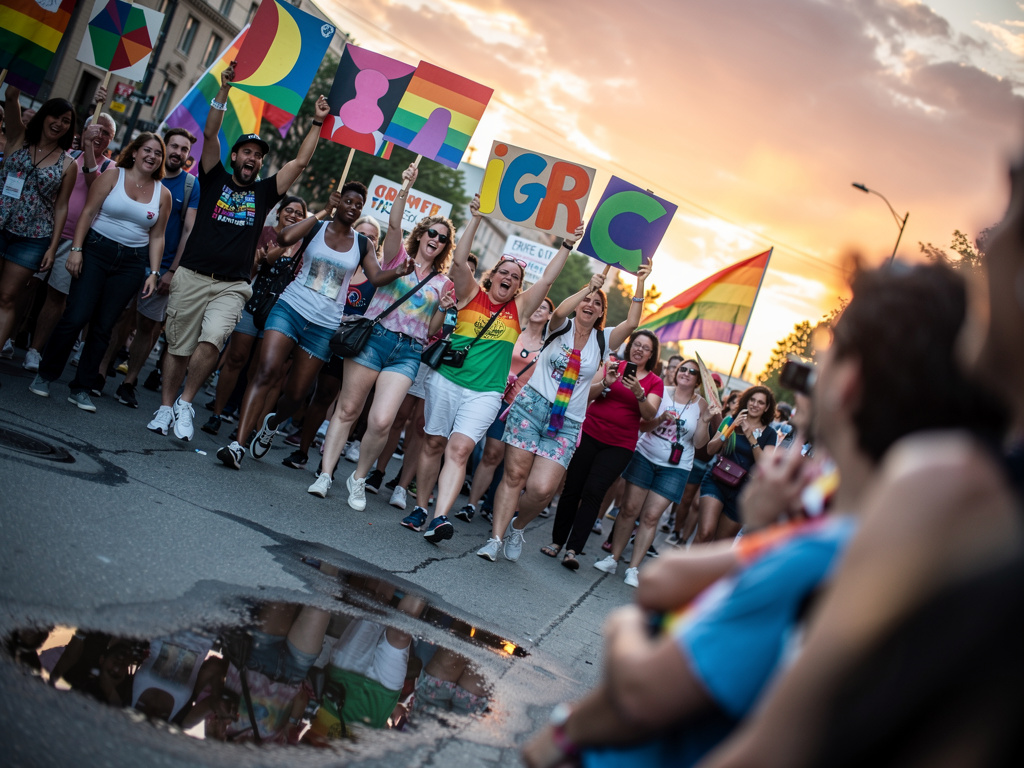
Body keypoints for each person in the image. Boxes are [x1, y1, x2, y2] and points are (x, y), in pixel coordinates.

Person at [522, 260, 1003, 768]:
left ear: (849, 384)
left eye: (826, 353)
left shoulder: (829, 556)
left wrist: (622, 633)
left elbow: (646, 685)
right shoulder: (937, 555)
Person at [699, 180, 1024, 768]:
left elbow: (781, 735)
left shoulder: (944, 479)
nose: (987, 237)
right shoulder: (974, 470)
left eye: (1009, 223)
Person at [146, 63, 330, 439]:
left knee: (212, 340)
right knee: (178, 348)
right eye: (246, 152)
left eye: (257, 155)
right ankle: (166, 407)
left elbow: (299, 162)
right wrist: (224, 90)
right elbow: (211, 133)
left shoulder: (264, 193)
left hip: (232, 285)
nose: (252, 158)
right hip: (192, 275)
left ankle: (186, 403)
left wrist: (316, 123)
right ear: (234, 158)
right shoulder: (212, 177)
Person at [403, 198, 578, 544]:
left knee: (459, 450)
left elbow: (547, 279)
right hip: (446, 381)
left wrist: (567, 246)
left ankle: (440, 517)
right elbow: (459, 256)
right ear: (492, 276)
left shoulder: (520, 308)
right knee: (434, 442)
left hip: (485, 394)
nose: (509, 279)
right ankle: (421, 506)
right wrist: (477, 219)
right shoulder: (470, 293)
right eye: (504, 273)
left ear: (517, 286)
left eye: (515, 278)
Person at [218, 183, 415, 469]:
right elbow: (285, 237)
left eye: (358, 205)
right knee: (267, 370)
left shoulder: (363, 244)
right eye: (348, 201)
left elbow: (374, 277)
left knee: (297, 394)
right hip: (291, 309)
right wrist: (323, 210)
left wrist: (398, 271)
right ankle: (238, 444)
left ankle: (272, 422)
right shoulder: (316, 227)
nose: (352, 207)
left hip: (323, 326)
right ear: (339, 201)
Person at [478, 261, 654, 562]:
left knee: (542, 489)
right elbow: (558, 311)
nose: (590, 304)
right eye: (587, 300)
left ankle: (518, 527)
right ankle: (495, 538)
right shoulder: (561, 326)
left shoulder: (602, 341)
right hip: (531, 406)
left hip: (567, 422)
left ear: (601, 313)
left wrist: (640, 282)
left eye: (596, 303)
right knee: (514, 475)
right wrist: (589, 287)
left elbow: (632, 324)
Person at [306, 163, 455, 501]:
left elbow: (432, 330)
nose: (435, 239)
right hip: (374, 339)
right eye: (432, 233)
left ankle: (358, 479)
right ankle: (326, 474)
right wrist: (405, 186)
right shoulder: (395, 255)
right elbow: (394, 223)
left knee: (382, 421)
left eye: (442, 238)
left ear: (446, 247)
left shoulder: (443, 284)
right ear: (422, 236)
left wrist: (444, 308)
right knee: (347, 410)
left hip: (407, 352)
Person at [29, 132, 171, 411]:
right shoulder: (113, 175)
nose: (152, 156)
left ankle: (81, 387)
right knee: (76, 316)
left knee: (105, 326)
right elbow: (87, 212)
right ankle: (45, 375)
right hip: (95, 250)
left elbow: (157, 237)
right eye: (147, 150)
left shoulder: (162, 193)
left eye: (157, 153)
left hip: (131, 263)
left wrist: (154, 272)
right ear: (134, 151)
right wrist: (76, 250)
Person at [542, 329, 667, 569]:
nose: (640, 349)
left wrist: (640, 394)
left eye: (646, 348)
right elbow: (586, 394)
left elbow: (649, 414)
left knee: (594, 491)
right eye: (637, 344)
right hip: (589, 433)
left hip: (619, 445)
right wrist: (605, 382)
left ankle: (573, 549)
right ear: (630, 346)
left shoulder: (654, 382)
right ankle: (557, 541)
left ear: (652, 354)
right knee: (572, 488)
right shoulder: (612, 364)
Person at [200, 195, 314, 435]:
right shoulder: (263, 233)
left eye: (299, 214)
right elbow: (247, 268)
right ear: (280, 212)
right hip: (252, 302)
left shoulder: (306, 244)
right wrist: (263, 258)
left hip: (281, 312)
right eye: (289, 211)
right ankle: (217, 414)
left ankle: (245, 425)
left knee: (259, 369)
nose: (293, 216)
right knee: (235, 359)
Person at [593, 358, 714, 584]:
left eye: (692, 372)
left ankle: (634, 568)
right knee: (628, 509)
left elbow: (699, 444)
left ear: (698, 381)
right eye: (683, 369)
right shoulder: (661, 391)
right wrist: (660, 419)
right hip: (645, 457)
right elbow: (642, 424)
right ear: (676, 372)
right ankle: (613, 558)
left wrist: (705, 422)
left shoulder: (701, 405)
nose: (686, 373)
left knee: (650, 516)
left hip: (675, 468)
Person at [279, 215, 383, 470]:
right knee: (299, 387)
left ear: (376, 244)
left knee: (327, 395)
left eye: (372, 237)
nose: (366, 239)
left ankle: (320, 456)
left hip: (350, 344)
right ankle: (287, 435)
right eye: (363, 233)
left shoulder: (377, 277)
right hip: (321, 331)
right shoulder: (337, 261)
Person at [22, 98, 114, 372]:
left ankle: (35, 350)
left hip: (75, 241)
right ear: (83, 130)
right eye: (96, 129)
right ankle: (11, 335)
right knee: (25, 285)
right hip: (45, 231)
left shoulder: (111, 169)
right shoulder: (66, 156)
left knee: (56, 297)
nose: (100, 136)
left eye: (106, 133)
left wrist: (88, 148)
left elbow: (91, 182)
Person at [112, 127, 200, 408]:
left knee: (147, 326)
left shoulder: (190, 185)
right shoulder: (146, 176)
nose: (178, 152)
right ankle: (99, 371)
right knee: (116, 316)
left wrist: (172, 270)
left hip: (163, 268)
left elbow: (188, 230)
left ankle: (129, 382)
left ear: (188, 155)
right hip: (131, 258)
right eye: (173, 146)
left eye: (184, 149)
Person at [456, 296, 554, 523]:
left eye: (545, 308)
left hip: (522, 408)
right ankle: (471, 504)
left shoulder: (548, 347)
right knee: (491, 453)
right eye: (537, 304)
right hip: (495, 394)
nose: (538, 309)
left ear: (550, 316)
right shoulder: (514, 331)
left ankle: (491, 506)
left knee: (509, 461)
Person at [0, 89, 78, 359]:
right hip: (0, 223)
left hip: (32, 238)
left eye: (66, 121)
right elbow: (11, 100)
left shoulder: (69, 164)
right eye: (55, 116)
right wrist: (14, 90)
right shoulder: (19, 138)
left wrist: (52, 247)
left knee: (8, 298)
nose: (59, 123)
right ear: (44, 116)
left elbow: (62, 206)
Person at [693, 385, 778, 543]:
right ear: (746, 400)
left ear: (766, 408)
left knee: (721, 544)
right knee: (705, 532)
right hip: (716, 481)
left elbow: (764, 465)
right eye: (752, 400)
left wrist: (750, 437)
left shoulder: (770, 434)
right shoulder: (730, 420)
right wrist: (731, 428)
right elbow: (711, 449)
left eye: (760, 402)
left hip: (743, 493)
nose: (754, 404)